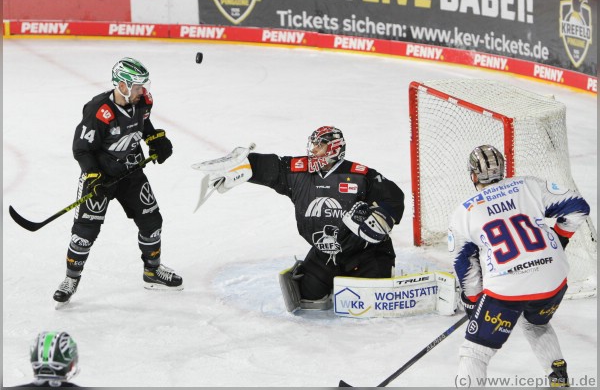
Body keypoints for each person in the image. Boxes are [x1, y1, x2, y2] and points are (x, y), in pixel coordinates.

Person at [200, 126, 405, 308]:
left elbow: (393, 196)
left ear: (334, 148)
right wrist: (245, 165)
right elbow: (273, 166)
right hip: (324, 254)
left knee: (372, 304)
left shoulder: (360, 175)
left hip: (365, 254)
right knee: (305, 298)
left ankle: (378, 271)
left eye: (320, 145)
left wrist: (381, 217)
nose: (314, 150)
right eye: (313, 145)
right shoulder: (299, 172)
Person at [449, 145, 590, 387]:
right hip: (553, 279)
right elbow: (578, 207)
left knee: (475, 352)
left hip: (507, 290)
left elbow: (464, 264)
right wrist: (560, 239)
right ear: (503, 169)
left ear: (473, 176)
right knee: (535, 323)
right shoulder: (528, 185)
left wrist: (473, 301)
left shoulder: (463, 212)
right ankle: (558, 378)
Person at [53, 57, 183, 306]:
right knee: (85, 232)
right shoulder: (99, 110)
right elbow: (81, 149)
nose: (142, 91)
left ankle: (152, 271)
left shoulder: (143, 101)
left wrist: (155, 139)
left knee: (152, 222)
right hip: (101, 177)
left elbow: (143, 123)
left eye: (143, 86)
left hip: (131, 173)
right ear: (122, 85)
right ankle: (71, 279)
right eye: (137, 86)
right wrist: (93, 177)